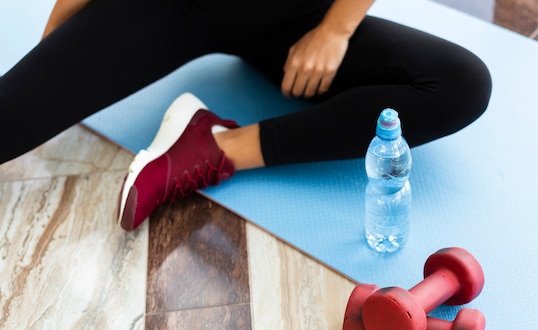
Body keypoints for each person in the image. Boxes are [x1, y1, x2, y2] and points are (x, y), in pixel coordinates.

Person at [0, 0, 492, 231]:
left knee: (461, 85)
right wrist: (57, 56)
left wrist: (337, 30)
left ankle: (214, 147)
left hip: (296, 21)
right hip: (171, 10)